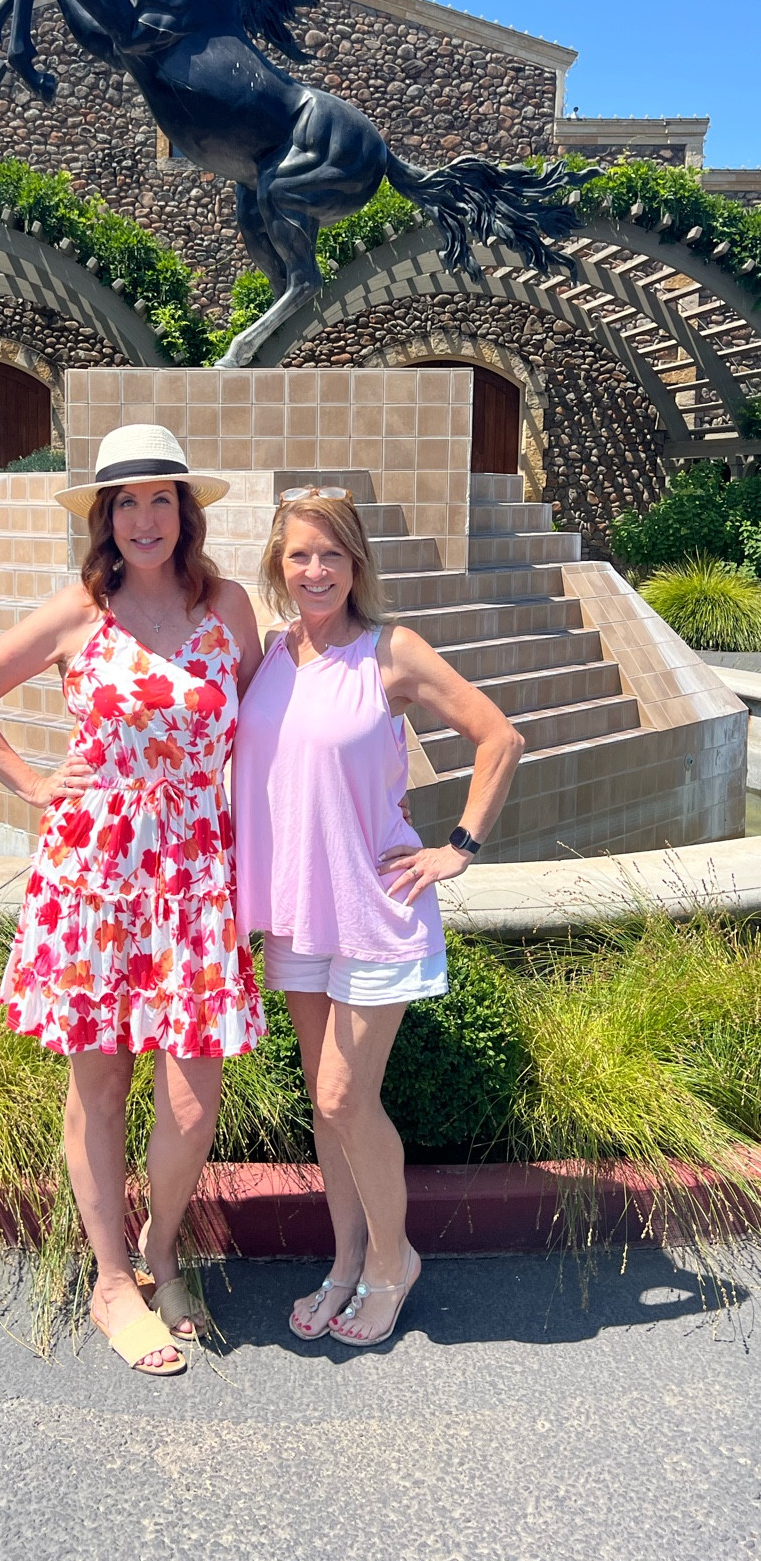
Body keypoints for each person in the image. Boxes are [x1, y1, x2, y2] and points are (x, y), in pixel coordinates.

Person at [0, 425, 264, 1376]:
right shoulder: (81, 612)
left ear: (185, 513)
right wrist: (36, 785)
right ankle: (112, 1278)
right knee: (102, 1081)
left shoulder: (229, 608)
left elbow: (264, 732)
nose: (145, 519)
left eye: (161, 499)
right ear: (105, 520)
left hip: (198, 871)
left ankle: (163, 1250)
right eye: (127, 503)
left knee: (193, 1095)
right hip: (97, 870)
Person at [232, 487, 524, 1349]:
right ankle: (345, 1262)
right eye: (298, 556)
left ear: (356, 562)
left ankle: (394, 1265)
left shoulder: (389, 652)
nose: (315, 570)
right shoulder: (271, 655)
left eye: (331, 554)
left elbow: (497, 736)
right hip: (296, 914)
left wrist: (458, 846)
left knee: (343, 1093)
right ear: (278, 568)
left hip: (376, 907)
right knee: (330, 1111)